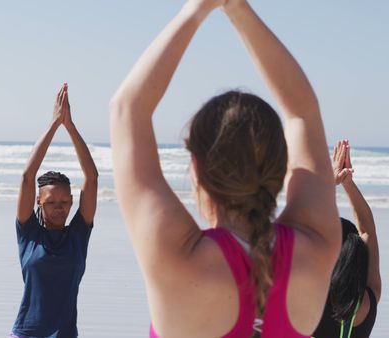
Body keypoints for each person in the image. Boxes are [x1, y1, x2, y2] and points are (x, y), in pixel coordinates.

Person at [109, 0, 340, 337]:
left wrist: (198, 8)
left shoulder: (177, 257)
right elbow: (302, 112)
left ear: (197, 168)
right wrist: (237, 9)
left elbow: (127, 108)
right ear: (280, 166)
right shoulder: (315, 246)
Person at [11, 83, 98, 338]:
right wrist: (53, 124)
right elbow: (28, 176)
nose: (59, 208)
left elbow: (91, 177)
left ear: (72, 201)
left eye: (64, 201)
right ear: (39, 201)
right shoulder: (28, 233)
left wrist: (69, 126)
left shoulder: (78, 235)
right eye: (51, 202)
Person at [313, 140, 381, 338]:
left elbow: (299, 226)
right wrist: (347, 183)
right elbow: (367, 230)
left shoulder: (308, 302)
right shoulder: (368, 300)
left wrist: (330, 184)